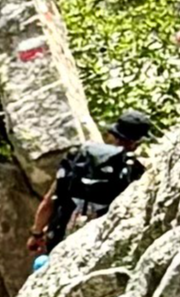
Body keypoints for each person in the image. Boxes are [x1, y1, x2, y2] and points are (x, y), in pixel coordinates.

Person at [32, 111, 154, 260]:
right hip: (99, 244)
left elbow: (48, 201)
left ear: (113, 134)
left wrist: (36, 234)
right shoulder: (133, 169)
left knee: (41, 263)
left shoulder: (80, 156)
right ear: (137, 142)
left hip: (61, 240)